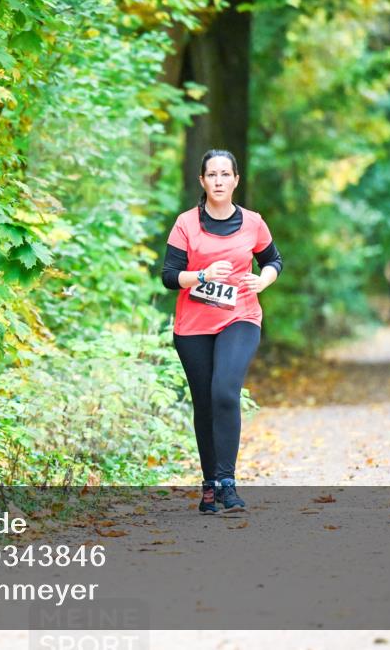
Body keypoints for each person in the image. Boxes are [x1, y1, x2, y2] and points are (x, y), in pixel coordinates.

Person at [161, 149, 283, 514]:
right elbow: (169, 276)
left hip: (239, 316)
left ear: (235, 180)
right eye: (211, 175)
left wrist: (263, 280)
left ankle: (228, 484)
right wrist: (201, 275)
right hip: (193, 325)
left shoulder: (253, 223)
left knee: (225, 391)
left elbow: (273, 260)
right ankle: (210, 485)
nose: (218, 181)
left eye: (225, 174)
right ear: (202, 181)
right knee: (204, 403)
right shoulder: (186, 224)